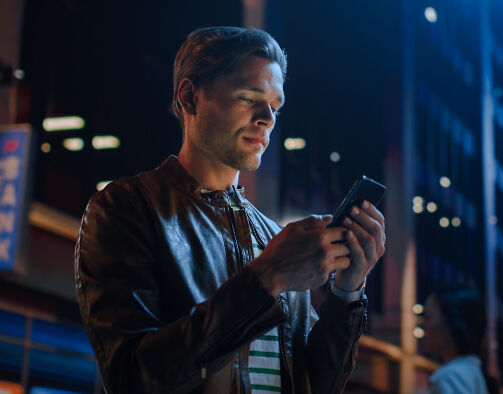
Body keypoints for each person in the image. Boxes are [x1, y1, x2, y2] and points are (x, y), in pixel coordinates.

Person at [74, 26, 385, 394]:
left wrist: (347, 292)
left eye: (275, 105)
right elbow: (133, 378)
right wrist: (266, 278)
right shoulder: (127, 208)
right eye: (248, 97)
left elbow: (314, 385)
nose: (267, 117)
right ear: (190, 97)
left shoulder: (272, 237)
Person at [423, 289, 497, 394]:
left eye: (429, 317)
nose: (424, 324)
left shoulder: (451, 377)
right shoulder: (472, 370)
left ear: (451, 324)